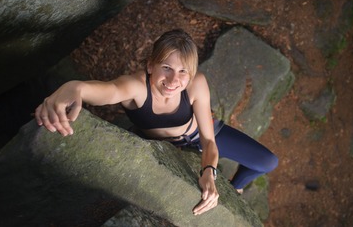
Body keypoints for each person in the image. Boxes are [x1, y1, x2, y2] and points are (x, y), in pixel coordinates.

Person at [35, 29, 278, 215]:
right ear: (151, 65)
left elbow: (208, 140)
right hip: (157, 142)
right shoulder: (137, 87)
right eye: (166, 68)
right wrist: (74, 87)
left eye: (184, 71)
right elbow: (108, 91)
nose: (174, 80)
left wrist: (209, 172)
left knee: (267, 161)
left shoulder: (196, 84)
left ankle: (236, 187)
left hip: (197, 136)